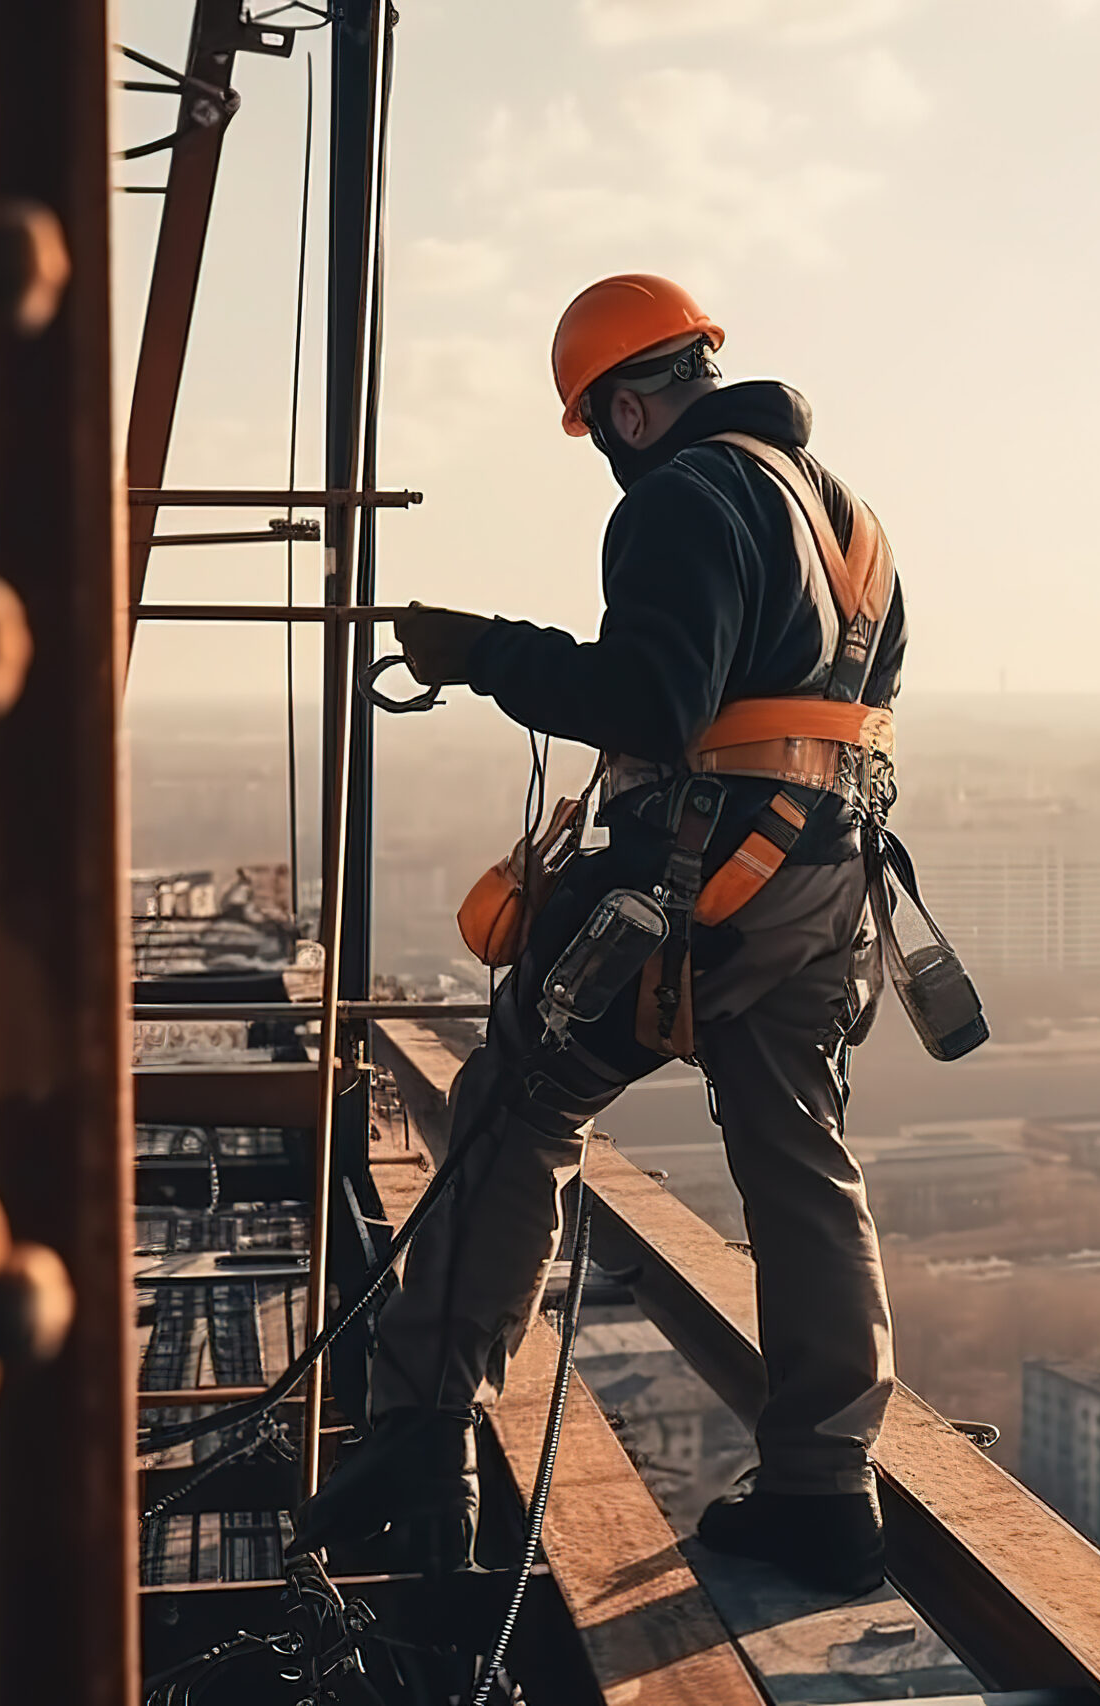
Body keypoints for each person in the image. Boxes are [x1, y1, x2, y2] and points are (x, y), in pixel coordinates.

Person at [292, 273, 907, 1595]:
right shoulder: (849, 519)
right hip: (824, 886)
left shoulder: (685, 501)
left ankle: (418, 1430)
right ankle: (826, 1487)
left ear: (626, 409)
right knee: (802, 1162)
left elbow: (652, 701)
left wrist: (486, 650)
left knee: (520, 1100)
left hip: (711, 881)